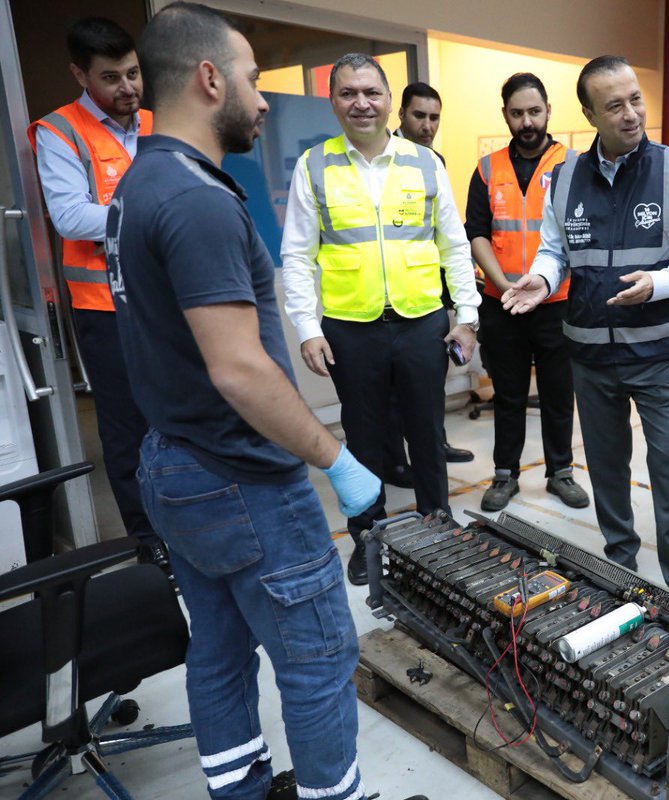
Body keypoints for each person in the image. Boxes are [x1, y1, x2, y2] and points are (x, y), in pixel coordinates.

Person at [106, 5, 416, 799]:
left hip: (174, 465)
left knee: (217, 649)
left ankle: (240, 791)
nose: (266, 99)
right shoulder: (197, 201)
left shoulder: (141, 181)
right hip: (241, 478)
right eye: (252, 78)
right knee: (317, 658)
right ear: (210, 79)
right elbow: (238, 371)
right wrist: (334, 456)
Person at [503, 55, 669, 614]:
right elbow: (557, 250)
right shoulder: (563, 178)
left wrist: (657, 283)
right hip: (590, 353)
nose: (631, 114)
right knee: (606, 466)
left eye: (636, 99)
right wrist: (540, 276)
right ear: (588, 114)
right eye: (615, 105)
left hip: (659, 352)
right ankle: (620, 564)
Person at [281, 54, 480, 585]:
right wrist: (308, 328)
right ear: (333, 103)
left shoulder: (423, 162)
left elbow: (454, 246)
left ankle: (438, 530)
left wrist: (468, 317)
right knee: (364, 441)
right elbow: (297, 256)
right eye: (348, 94)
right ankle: (367, 535)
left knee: (427, 432)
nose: (361, 103)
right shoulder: (314, 165)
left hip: (421, 322)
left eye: (371, 92)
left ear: (389, 99)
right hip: (350, 326)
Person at [29, 18, 166, 569]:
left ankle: (186, 521)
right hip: (106, 309)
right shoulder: (60, 131)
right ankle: (147, 539)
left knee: (177, 415)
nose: (127, 88)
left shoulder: (159, 124)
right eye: (111, 77)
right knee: (127, 427)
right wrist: (157, 213)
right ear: (79, 74)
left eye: (133, 73)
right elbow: (70, 215)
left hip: (167, 304)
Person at [465, 72, 589, 512]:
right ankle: (505, 474)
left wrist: (545, 283)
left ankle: (561, 473)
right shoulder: (486, 168)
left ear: (548, 111)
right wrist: (502, 285)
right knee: (510, 393)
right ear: (506, 116)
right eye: (517, 113)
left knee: (559, 393)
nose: (527, 121)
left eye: (534, 111)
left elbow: (583, 234)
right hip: (503, 303)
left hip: (557, 302)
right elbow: (477, 234)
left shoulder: (573, 165)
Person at [389, 80, 475, 469]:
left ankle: (433, 446)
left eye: (434, 118)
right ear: (401, 115)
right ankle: (394, 460)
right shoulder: (382, 159)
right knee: (392, 388)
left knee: (429, 380)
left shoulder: (434, 161)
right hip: (386, 299)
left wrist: (459, 286)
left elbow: (446, 232)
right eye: (419, 116)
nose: (427, 125)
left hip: (429, 293)